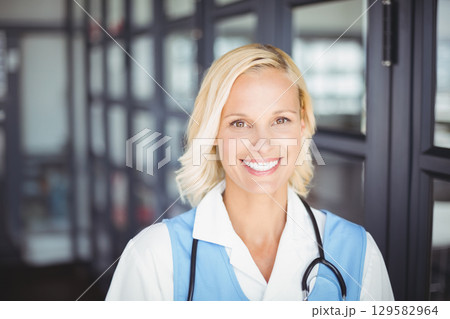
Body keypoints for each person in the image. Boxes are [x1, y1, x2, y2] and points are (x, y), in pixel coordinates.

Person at [106, 44, 394, 301]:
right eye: (240, 123)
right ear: (214, 133)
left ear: (303, 125)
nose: (261, 144)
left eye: (280, 119)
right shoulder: (154, 256)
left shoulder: (359, 252)